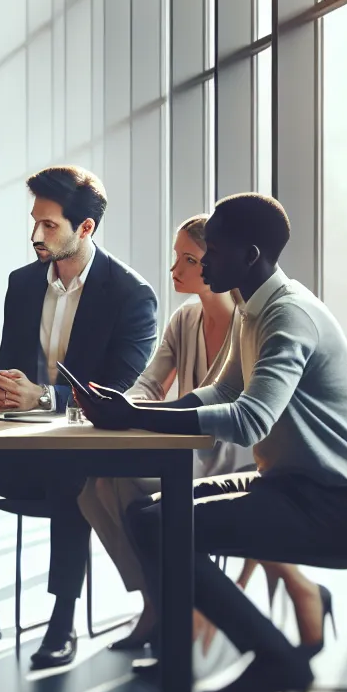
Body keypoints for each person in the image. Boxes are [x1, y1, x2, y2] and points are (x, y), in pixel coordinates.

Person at [78, 193, 347, 692]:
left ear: (250, 254)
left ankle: (271, 656)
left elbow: (251, 417)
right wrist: (133, 409)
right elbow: (219, 390)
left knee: (158, 524)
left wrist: (140, 417)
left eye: (211, 250)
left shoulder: (288, 317)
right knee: (148, 517)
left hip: (328, 503)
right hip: (290, 483)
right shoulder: (253, 308)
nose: (202, 260)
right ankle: (237, 648)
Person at [0, 166, 158, 669]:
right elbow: (11, 365)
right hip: (25, 444)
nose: (36, 234)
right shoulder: (24, 283)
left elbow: (119, 393)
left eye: (49, 225)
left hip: (90, 454)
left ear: (86, 229)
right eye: (35, 221)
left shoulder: (130, 295)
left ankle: (62, 619)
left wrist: (43, 399)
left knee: (66, 470)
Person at [76, 214, 243, 653]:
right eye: (177, 256)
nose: (176, 269)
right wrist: (116, 402)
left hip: (230, 454)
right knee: (95, 486)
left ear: (218, 265)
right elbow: (150, 385)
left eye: (189, 259)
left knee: (125, 482)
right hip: (181, 446)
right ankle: (157, 597)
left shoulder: (248, 324)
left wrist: (140, 413)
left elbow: (237, 413)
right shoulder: (184, 319)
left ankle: (171, 602)